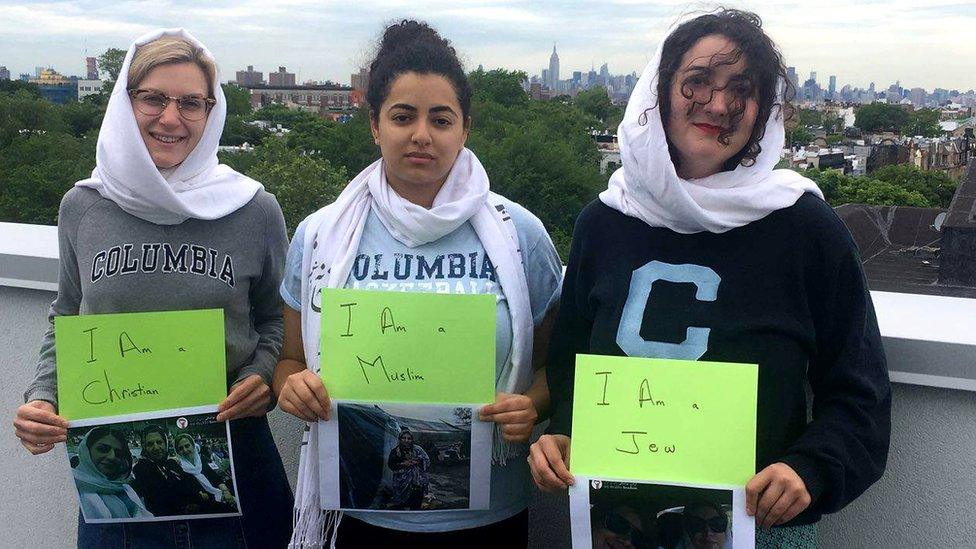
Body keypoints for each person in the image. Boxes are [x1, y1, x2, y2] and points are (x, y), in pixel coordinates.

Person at [528, 9, 891, 549]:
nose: (719, 105)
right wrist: (561, 431)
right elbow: (572, 360)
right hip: (619, 527)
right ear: (659, 90)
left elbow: (860, 394)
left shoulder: (806, 228)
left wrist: (810, 470)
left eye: (742, 89)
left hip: (756, 530)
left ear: (763, 110)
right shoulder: (603, 224)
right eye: (698, 81)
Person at [273, 19, 562, 548]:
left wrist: (533, 406)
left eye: (441, 119)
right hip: (360, 513)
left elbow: (549, 367)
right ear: (375, 125)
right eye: (403, 116)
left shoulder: (520, 235)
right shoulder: (321, 235)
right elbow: (289, 361)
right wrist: (291, 388)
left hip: (490, 514)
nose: (422, 135)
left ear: (465, 128)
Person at [12, 28, 293, 547]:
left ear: (211, 112)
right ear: (125, 102)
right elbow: (68, 315)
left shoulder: (254, 210)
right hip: (116, 465)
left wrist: (261, 377)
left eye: (191, 102)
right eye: (153, 98)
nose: (171, 117)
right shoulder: (84, 206)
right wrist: (43, 399)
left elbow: (275, 317)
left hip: (235, 453)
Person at [72, 427, 152, 520]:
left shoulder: (125, 488)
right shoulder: (73, 488)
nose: (112, 457)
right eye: (103, 449)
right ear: (86, 450)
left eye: (118, 453)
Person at [131, 425, 210, 516]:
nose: (156, 447)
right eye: (150, 444)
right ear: (144, 447)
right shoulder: (141, 468)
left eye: (159, 442)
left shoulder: (171, 463)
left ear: (166, 443)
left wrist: (199, 491)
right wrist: (197, 497)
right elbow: (165, 498)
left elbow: (189, 480)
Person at [174, 433, 236, 508]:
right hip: (207, 503)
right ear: (177, 452)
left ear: (193, 446)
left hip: (221, 493)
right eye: (181, 448)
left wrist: (226, 492)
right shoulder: (179, 467)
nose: (185, 450)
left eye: (187, 446)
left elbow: (216, 478)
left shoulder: (201, 460)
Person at [385, 428, 431, 510]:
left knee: (415, 504)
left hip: (416, 482)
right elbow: (391, 465)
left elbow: (427, 461)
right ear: (400, 439)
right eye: (404, 438)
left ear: (412, 440)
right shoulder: (395, 451)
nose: (406, 440)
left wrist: (417, 462)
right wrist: (403, 464)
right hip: (400, 482)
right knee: (400, 505)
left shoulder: (418, 450)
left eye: (409, 438)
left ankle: (413, 518)